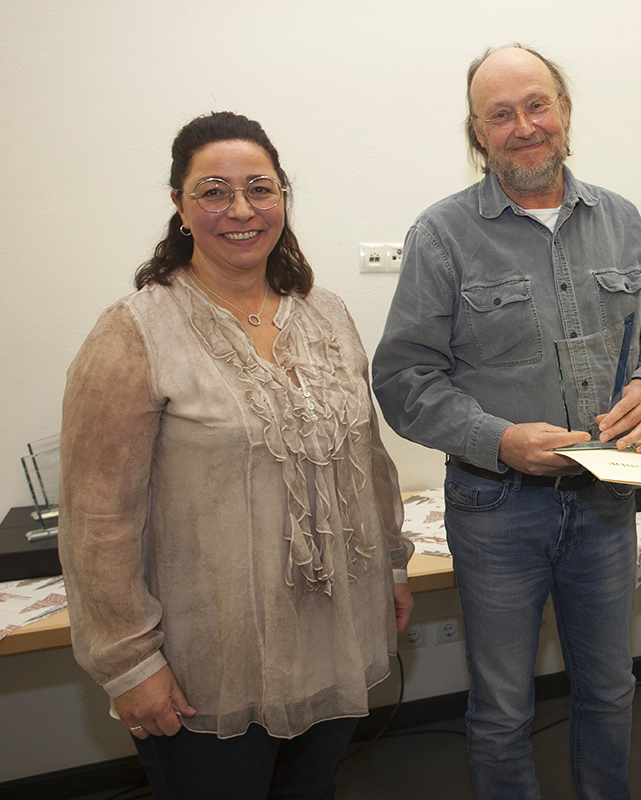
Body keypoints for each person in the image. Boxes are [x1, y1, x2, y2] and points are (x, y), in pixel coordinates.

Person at [58, 111, 415, 799]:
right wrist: (130, 664)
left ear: (283, 196)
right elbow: (97, 521)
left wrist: (392, 569)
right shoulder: (135, 333)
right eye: (214, 191)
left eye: (260, 188)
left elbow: (367, 460)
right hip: (206, 668)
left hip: (330, 639)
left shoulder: (326, 312)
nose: (241, 210)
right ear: (180, 207)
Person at [371, 45, 641, 800]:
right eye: (500, 114)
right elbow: (402, 379)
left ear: (565, 113)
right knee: (503, 710)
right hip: (495, 510)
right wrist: (500, 441)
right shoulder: (441, 235)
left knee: (611, 693)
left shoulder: (623, 220)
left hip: (607, 502)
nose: (523, 126)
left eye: (536, 105)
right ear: (478, 133)